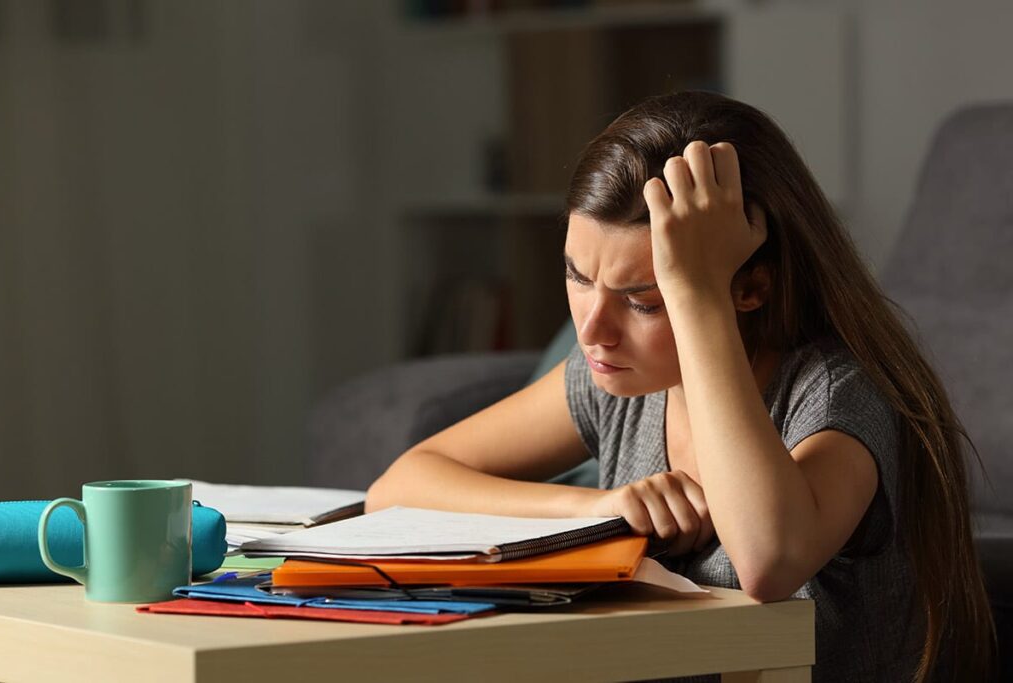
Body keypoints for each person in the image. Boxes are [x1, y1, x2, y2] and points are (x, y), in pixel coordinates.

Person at [365, 90, 995, 682]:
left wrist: (695, 291)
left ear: (748, 289)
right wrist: (599, 512)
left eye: (643, 300)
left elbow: (769, 560)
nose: (593, 331)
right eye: (577, 277)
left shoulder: (834, 395)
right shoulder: (614, 380)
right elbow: (399, 487)